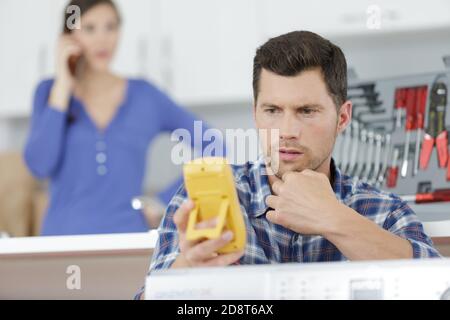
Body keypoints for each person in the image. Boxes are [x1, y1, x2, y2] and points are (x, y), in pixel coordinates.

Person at [136, 30, 441, 299]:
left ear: (343, 118)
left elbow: (437, 287)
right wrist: (186, 267)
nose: (287, 131)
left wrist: (333, 217)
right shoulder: (206, 199)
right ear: (255, 114)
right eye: (272, 110)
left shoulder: (383, 210)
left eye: (307, 111)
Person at [24, 0, 216, 235]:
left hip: (129, 240)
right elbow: (39, 166)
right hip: (61, 244)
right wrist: (63, 87)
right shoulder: (49, 93)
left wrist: (165, 201)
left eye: (110, 27)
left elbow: (216, 147)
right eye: (90, 29)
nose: (103, 39)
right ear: (68, 38)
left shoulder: (146, 96)